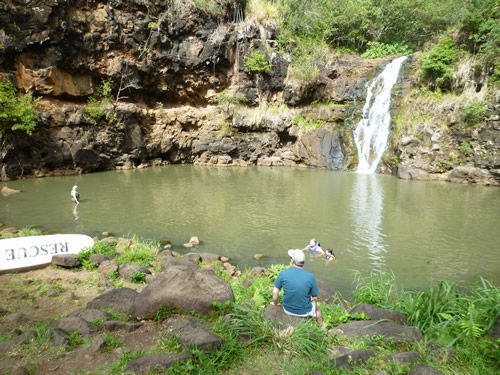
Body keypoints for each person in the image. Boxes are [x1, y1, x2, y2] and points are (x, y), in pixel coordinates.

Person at [271, 249, 327, 329]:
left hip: (287, 310)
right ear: (303, 263)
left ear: (292, 261)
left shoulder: (283, 273)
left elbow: (275, 293)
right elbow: (315, 295)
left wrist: (276, 303)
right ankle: (321, 324)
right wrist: (312, 298)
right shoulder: (310, 276)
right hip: (305, 312)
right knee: (317, 308)